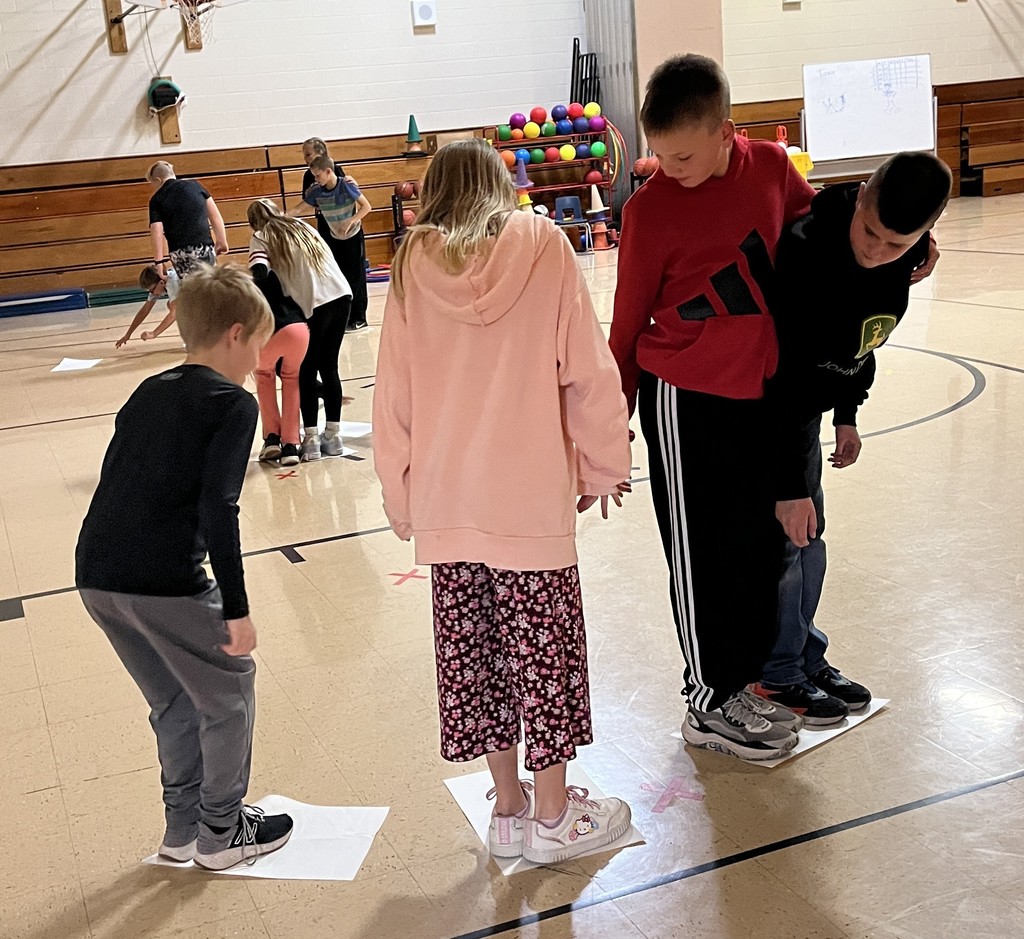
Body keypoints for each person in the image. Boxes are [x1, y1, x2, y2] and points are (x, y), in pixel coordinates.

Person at [373, 139, 633, 864]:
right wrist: (604, 464)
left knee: (476, 655)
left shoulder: (409, 267)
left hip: (447, 500)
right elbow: (586, 367)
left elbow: (391, 395)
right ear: (501, 184)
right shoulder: (543, 245)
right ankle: (556, 813)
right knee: (542, 654)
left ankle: (511, 809)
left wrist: (402, 497)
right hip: (527, 499)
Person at [609, 54, 818, 761]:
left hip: (760, 393)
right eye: (659, 155)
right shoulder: (649, 209)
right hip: (683, 399)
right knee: (701, 555)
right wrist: (612, 423)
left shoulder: (770, 168)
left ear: (728, 132)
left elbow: (815, 240)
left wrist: (905, 251)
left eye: (686, 154)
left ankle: (742, 683)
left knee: (757, 550)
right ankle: (707, 698)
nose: (670, 167)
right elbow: (628, 322)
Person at [76, 264, 294, 871]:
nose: (258, 359)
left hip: (96, 573)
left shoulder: (149, 389)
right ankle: (222, 831)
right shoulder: (233, 403)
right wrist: (236, 608)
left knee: (174, 699)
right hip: (163, 576)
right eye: (258, 344)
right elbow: (219, 507)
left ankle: (181, 830)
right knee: (229, 693)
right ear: (234, 334)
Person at [752, 152, 952, 723]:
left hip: (809, 418)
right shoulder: (808, 250)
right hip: (770, 417)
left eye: (895, 245)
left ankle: (805, 656)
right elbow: (786, 374)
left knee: (810, 544)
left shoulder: (906, 258)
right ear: (861, 195)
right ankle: (777, 674)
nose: (875, 251)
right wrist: (789, 484)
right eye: (869, 232)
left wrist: (847, 413)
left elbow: (862, 341)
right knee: (786, 550)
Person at [247, 199, 352, 462]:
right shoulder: (302, 226)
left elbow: (259, 272)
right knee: (330, 368)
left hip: (314, 303)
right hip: (341, 294)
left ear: (253, 223)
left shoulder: (261, 236)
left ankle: (312, 439)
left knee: (305, 371)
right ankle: (334, 435)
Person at [298, 137, 370, 331]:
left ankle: (359, 315)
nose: (305, 158)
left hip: (347, 227)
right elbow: (305, 203)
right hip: (327, 224)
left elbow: (357, 199)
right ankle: (341, 314)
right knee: (333, 270)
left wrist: (350, 221)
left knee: (354, 271)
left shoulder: (336, 172)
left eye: (308, 153)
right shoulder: (309, 176)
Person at [249, 267, 309, 467]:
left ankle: (272, 438)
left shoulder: (254, 282)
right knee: (291, 379)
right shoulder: (288, 275)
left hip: (268, 330)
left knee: (264, 376)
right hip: (297, 329)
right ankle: (291, 444)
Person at [146, 161, 229, 280]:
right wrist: (222, 240)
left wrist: (159, 262)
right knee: (211, 285)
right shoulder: (195, 185)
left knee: (191, 291)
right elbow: (215, 216)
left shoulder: (156, 199)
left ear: (158, 180)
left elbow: (157, 232)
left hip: (180, 253)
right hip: (204, 246)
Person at [114, 265, 181, 348]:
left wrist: (154, 333)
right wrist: (128, 335)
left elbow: (174, 313)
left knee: (174, 306)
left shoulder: (173, 283)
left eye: (152, 290)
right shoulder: (161, 282)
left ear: (161, 283)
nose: (152, 293)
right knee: (174, 305)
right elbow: (145, 310)